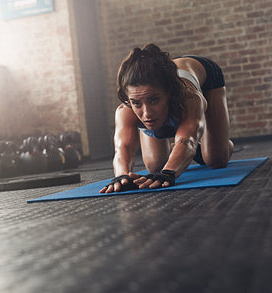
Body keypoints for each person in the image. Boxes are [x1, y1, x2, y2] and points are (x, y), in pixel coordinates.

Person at [100, 43, 234, 193]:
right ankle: (178, 146)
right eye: (137, 103)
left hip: (206, 76)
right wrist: (122, 177)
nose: (147, 113)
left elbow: (188, 140)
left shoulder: (189, 98)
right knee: (155, 166)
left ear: (170, 93)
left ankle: (220, 142)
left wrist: (169, 173)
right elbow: (122, 147)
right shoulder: (125, 110)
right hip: (167, 89)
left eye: (154, 100)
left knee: (215, 159)